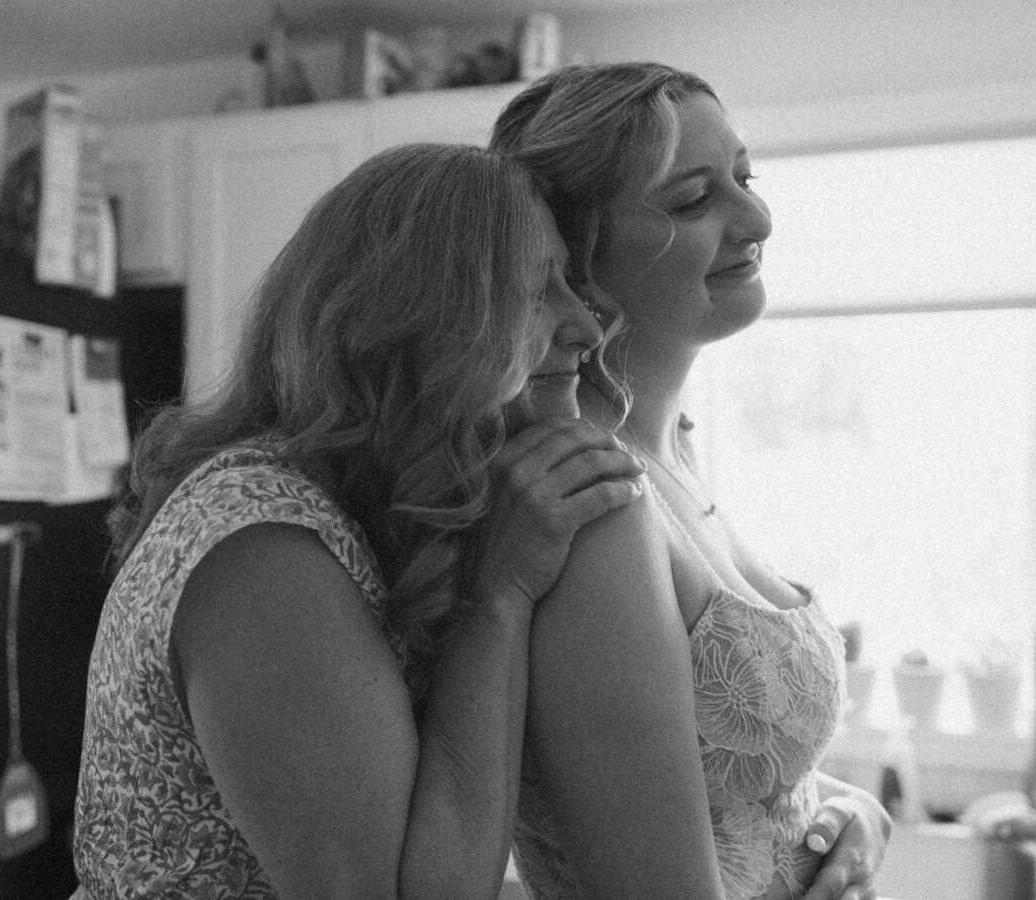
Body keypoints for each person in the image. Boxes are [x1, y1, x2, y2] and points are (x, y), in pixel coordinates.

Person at [70, 142, 648, 899]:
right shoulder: (261, 544)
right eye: (538, 292)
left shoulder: (352, 513)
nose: (587, 326)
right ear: (419, 320)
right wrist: (500, 596)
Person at [490, 63, 892, 900]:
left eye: (745, 178)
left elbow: (719, 787)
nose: (757, 218)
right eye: (692, 199)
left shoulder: (672, 448)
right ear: (576, 261)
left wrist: (846, 813)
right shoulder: (589, 498)